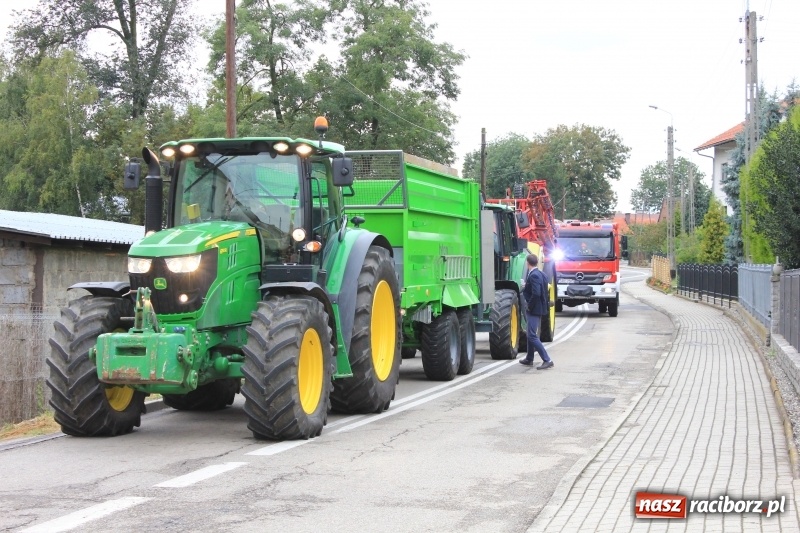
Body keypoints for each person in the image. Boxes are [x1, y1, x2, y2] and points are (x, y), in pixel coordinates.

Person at [520, 254, 554, 369]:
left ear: (528, 263)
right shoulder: (541, 273)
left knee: (532, 335)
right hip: (539, 307)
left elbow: (537, 293)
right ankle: (529, 358)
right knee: (530, 334)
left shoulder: (533, 275)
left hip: (534, 309)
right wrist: (526, 286)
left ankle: (547, 359)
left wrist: (529, 305)